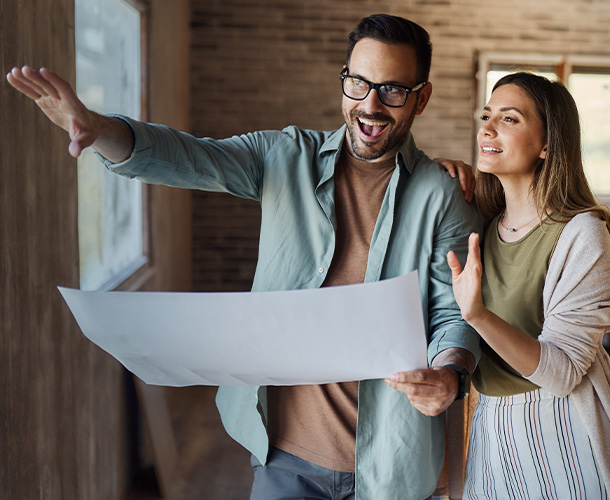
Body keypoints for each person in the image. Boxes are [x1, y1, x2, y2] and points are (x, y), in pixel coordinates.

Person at [8, 14, 483, 500]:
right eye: (358, 83)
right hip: (285, 462)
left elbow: (454, 311)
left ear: (422, 97)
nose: (371, 105)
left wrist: (449, 375)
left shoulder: (441, 195)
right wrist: (98, 129)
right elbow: (187, 156)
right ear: (344, 79)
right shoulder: (284, 156)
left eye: (393, 90)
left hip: (392, 468)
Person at [433, 72, 610, 498]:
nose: (488, 128)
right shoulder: (486, 225)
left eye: (510, 119)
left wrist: (476, 315)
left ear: (548, 144)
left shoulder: (581, 233)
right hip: (490, 426)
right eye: (486, 115)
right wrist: (435, 174)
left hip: (561, 428)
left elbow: (563, 372)